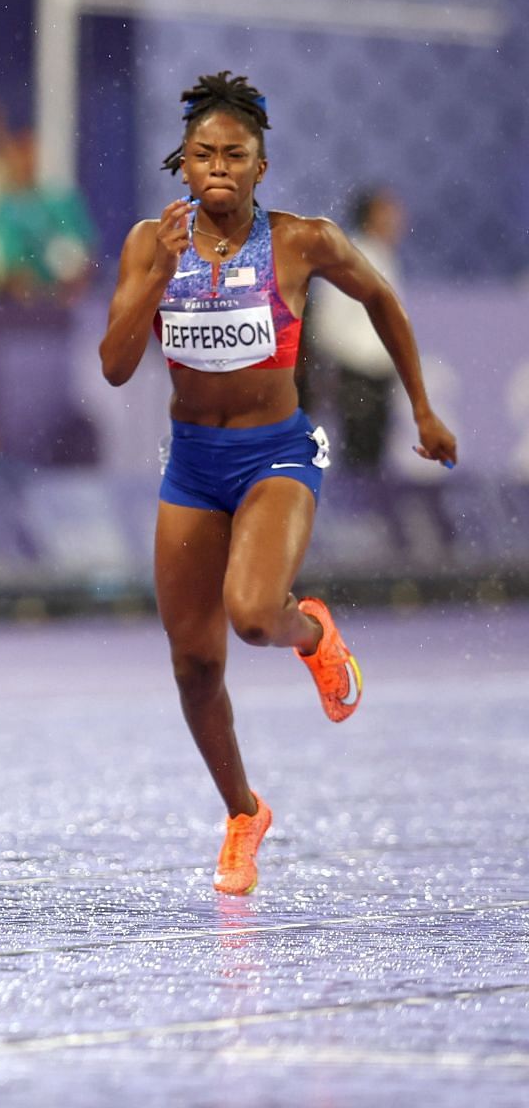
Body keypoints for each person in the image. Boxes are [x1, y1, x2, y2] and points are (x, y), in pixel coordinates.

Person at [98, 72, 456, 896]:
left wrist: (424, 410)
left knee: (255, 615)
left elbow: (382, 301)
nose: (218, 167)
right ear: (180, 165)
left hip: (277, 456)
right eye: (202, 155)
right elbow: (116, 367)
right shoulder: (151, 245)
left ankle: (314, 636)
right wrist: (159, 277)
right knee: (193, 663)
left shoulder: (304, 241)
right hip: (192, 462)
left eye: (235, 155)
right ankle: (243, 814)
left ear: (261, 167)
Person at [307, 186, 405, 472]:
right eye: (388, 213)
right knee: (359, 458)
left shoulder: (384, 258)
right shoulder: (350, 258)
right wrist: (358, 359)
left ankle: (367, 513)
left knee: (374, 457)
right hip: (357, 375)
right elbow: (327, 324)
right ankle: (356, 516)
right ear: (371, 216)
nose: (397, 220)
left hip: (378, 375)